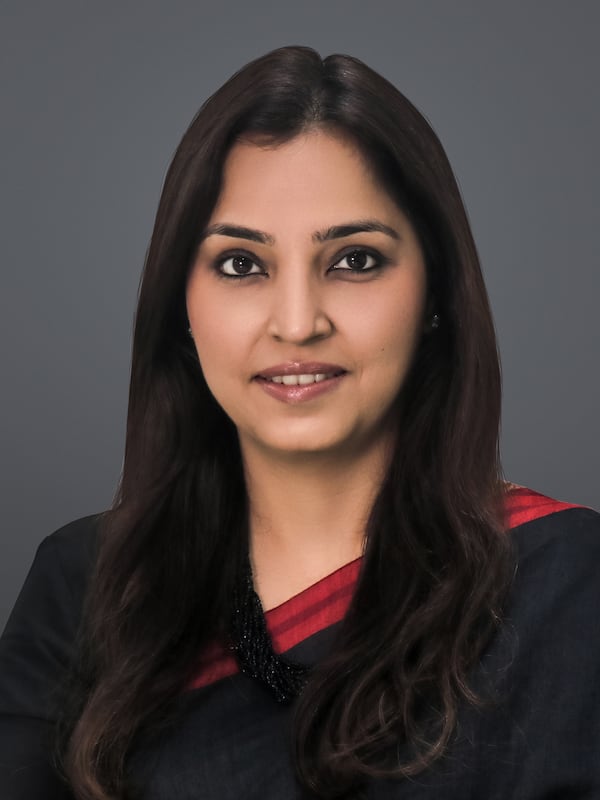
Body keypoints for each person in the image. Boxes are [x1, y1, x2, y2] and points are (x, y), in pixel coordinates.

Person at [0, 45, 599, 800]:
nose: (296, 323)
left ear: (437, 293)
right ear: (180, 307)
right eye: (242, 265)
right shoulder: (89, 583)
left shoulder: (569, 585)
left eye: (353, 260)